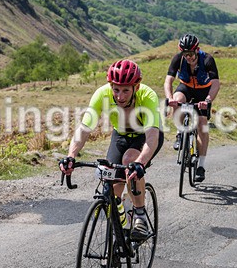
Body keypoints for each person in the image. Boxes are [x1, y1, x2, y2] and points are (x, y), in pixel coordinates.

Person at [60, 59, 164, 241]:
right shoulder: (102, 94)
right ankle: (122, 226)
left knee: (129, 162)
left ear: (136, 87)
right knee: (111, 179)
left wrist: (140, 163)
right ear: (111, 86)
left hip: (145, 136)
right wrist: (71, 156)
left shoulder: (148, 96)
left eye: (125, 90)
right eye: (116, 89)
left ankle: (140, 216)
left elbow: (152, 137)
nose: (120, 96)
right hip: (121, 135)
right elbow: (84, 128)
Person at [164, 33, 220, 182]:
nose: (188, 57)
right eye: (185, 54)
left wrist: (208, 100)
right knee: (177, 100)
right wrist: (169, 98)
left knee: (202, 124)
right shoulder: (178, 59)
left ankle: (201, 166)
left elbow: (215, 84)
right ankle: (179, 132)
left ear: (197, 50)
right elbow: (168, 81)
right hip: (186, 88)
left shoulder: (207, 59)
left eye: (190, 53)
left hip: (203, 92)